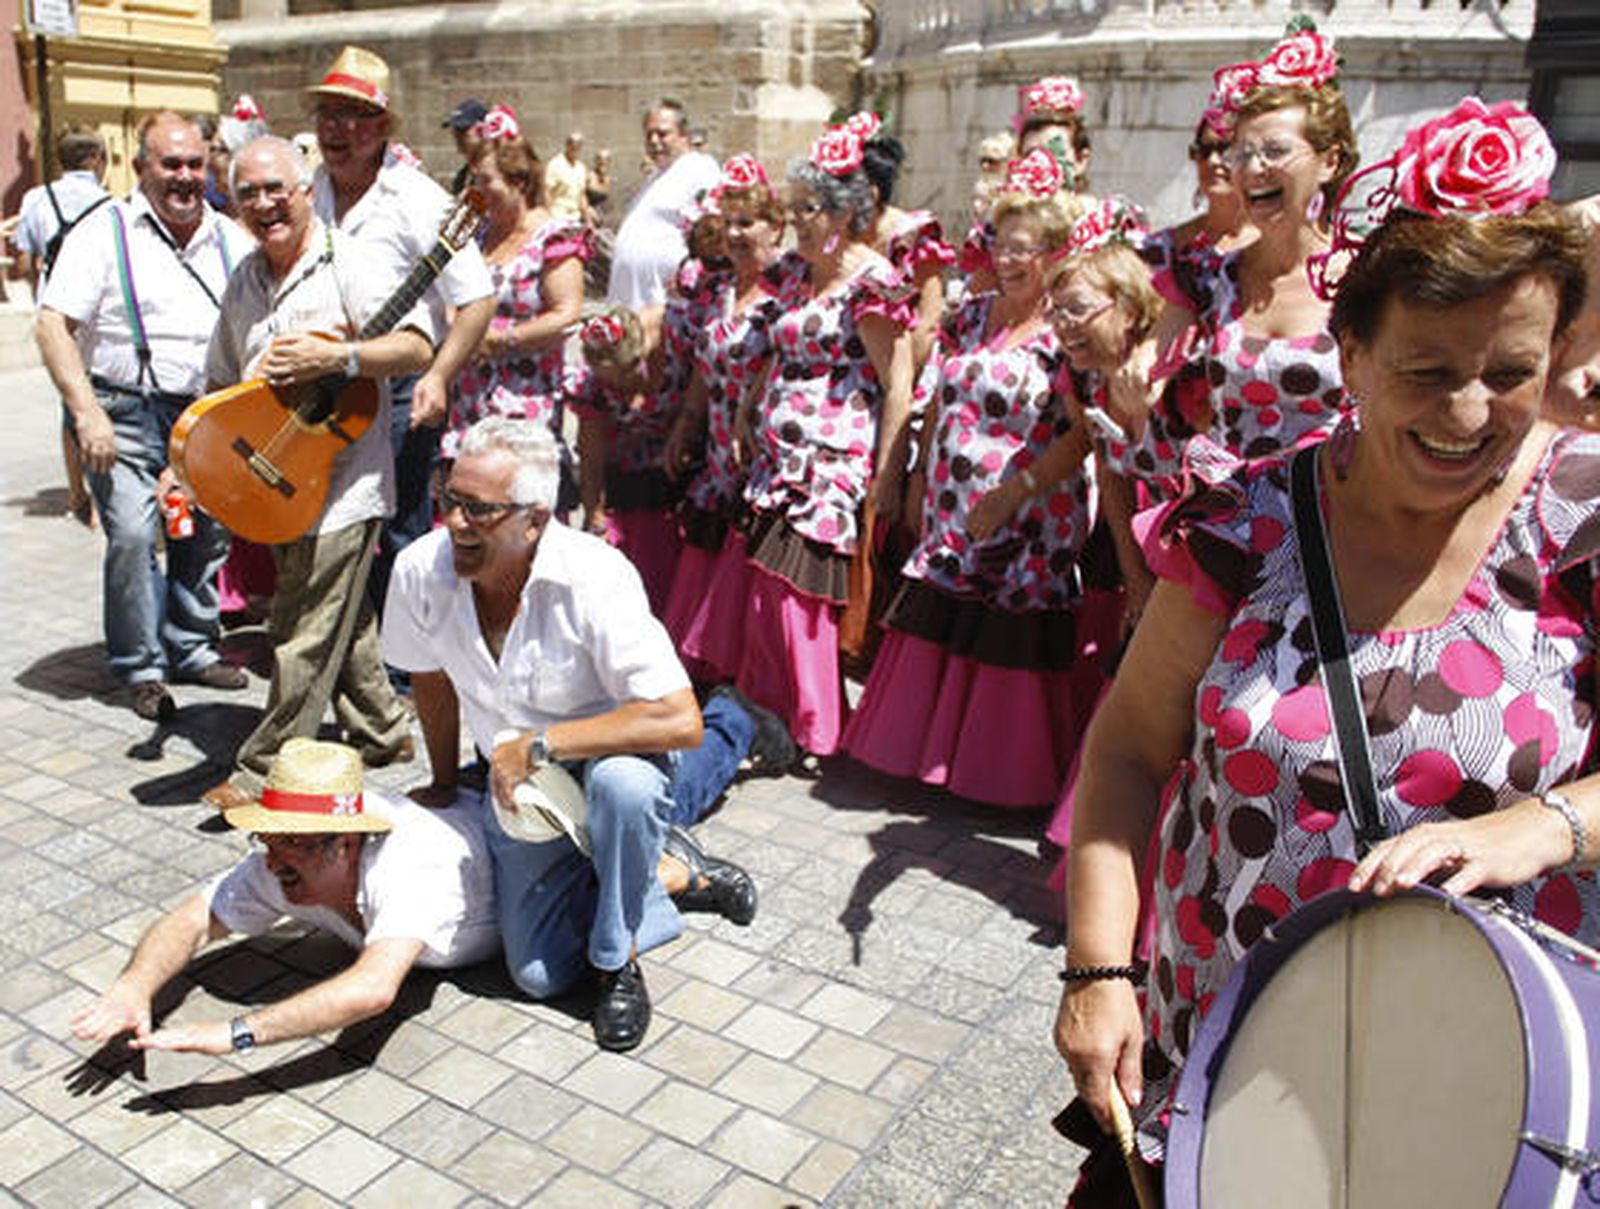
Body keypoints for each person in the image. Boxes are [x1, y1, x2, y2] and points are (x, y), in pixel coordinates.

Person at [1053, 98, 1598, 1204]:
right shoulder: (1243, 522)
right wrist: (1098, 972)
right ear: (1345, 353)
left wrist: (1543, 825)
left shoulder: (1583, 520)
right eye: (1425, 369)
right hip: (1232, 1060)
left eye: (1508, 371)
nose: (1467, 410)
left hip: (1494, 1099)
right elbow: (1123, 753)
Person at [382, 416, 768, 1052]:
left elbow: (676, 718)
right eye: (449, 498)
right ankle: (675, 871)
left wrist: (540, 746)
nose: (454, 522)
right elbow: (428, 679)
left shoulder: (596, 574)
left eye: (478, 509)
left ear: (534, 520)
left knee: (628, 792)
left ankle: (620, 962)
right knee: (538, 974)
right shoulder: (421, 570)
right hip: (520, 781)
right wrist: (446, 781)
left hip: (615, 751)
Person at [843, 166, 1098, 807]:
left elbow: (1084, 433)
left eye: (1024, 247)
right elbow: (937, 400)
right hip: (951, 505)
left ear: (1054, 254)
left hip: (1028, 511)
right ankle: (927, 759)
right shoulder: (973, 313)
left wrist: (1017, 492)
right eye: (1001, 242)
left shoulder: (1065, 332)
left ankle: (991, 775)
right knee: (945, 615)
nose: (1007, 258)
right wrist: (915, 475)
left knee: (1004, 628)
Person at [198, 136, 435, 809]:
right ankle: (383, 727)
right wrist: (190, 463)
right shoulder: (245, 279)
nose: (265, 203)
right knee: (338, 612)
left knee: (302, 625)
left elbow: (417, 343)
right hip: (276, 477)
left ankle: (264, 766)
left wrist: (341, 360)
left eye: (277, 188)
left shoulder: (350, 262)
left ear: (305, 190)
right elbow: (219, 379)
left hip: (347, 485)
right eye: (249, 193)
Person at [69, 739, 498, 1058]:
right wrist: (133, 987)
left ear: (346, 846)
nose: (273, 863)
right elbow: (193, 918)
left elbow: (373, 989)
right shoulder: (289, 852)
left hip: (510, 824)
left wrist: (234, 1034)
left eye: (289, 843)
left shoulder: (412, 867)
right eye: (267, 840)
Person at [35, 111, 254, 721]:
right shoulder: (102, 231)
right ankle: (141, 667)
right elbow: (53, 325)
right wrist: (86, 416)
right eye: (170, 165)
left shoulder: (230, 236)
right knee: (132, 535)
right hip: (123, 411)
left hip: (205, 411)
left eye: (194, 163)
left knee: (204, 533)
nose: (185, 177)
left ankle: (190, 646)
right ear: (140, 168)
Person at [732, 124, 915, 757]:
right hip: (777, 460)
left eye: (806, 210)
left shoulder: (871, 280)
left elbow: (899, 378)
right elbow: (772, 348)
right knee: (764, 589)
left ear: (842, 209)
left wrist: (888, 476)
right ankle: (765, 711)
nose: (796, 223)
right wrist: (748, 409)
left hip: (829, 464)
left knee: (799, 594)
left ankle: (813, 724)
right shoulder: (794, 272)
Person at [304, 46, 495, 620]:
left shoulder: (416, 198)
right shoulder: (309, 189)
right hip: (323, 384)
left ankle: (405, 656)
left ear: (381, 126)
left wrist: (438, 375)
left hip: (398, 385)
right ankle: (345, 638)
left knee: (399, 526)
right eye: (328, 114)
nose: (338, 129)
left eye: (353, 116)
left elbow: (477, 298)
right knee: (330, 518)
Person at [1149, 25, 1357, 474]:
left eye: (1275, 151)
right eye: (1241, 153)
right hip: (1231, 527)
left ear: (1330, 161)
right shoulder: (1205, 279)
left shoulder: (1368, 280)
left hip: (1333, 530)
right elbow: (1152, 391)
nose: (1253, 168)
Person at [661, 154, 785, 682]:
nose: (735, 234)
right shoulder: (717, 290)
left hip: (764, 450)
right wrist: (683, 427)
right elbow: (699, 368)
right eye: (728, 223)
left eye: (748, 223)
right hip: (715, 445)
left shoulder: (788, 292)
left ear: (775, 226)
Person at [445, 123, 587, 478]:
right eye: (472, 181)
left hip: (525, 401)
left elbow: (567, 314)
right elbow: (448, 293)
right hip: (470, 401)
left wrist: (501, 340)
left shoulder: (553, 236)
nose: (475, 191)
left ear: (518, 183)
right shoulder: (475, 236)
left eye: (485, 181)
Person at [12, 126, 110, 528]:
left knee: (70, 402)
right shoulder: (109, 204)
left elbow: (23, 260)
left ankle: (76, 492)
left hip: (53, 312)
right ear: (96, 160)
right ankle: (103, 495)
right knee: (99, 399)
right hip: (97, 317)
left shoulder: (36, 199)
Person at [571, 306, 689, 613]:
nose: (622, 385)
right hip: (625, 487)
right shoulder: (592, 387)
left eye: (627, 373)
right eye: (612, 380)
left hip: (676, 481)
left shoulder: (673, 348)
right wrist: (593, 515)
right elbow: (591, 459)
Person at [606, 98, 720, 310]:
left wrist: (694, 278)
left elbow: (714, 231)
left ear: (683, 134)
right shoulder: (656, 177)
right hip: (634, 304)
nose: (654, 140)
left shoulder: (700, 169)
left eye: (662, 133)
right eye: (648, 134)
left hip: (665, 304)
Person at [545, 130, 594, 227]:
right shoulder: (555, 165)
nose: (575, 148)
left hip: (575, 219)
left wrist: (589, 221)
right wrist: (547, 217)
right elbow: (546, 192)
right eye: (573, 144)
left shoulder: (581, 168)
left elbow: (582, 196)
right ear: (567, 145)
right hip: (557, 218)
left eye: (579, 145)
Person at [441, 97, 488, 194]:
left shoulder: (498, 173)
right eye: (455, 131)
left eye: (463, 131)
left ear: (482, 131)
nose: (457, 137)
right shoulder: (462, 176)